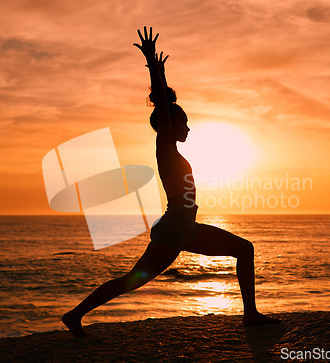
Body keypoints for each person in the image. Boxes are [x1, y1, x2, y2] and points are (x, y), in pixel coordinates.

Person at [62, 27, 280, 337]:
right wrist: (154, 68)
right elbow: (163, 109)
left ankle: (250, 315)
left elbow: (168, 109)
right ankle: (75, 315)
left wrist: (161, 73)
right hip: (174, 229)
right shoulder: (165, 146)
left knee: (244, 249)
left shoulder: (173, 151)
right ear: (170, 125)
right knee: (131, 281)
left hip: (184, 229)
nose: (188, 128)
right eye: (184, 122)